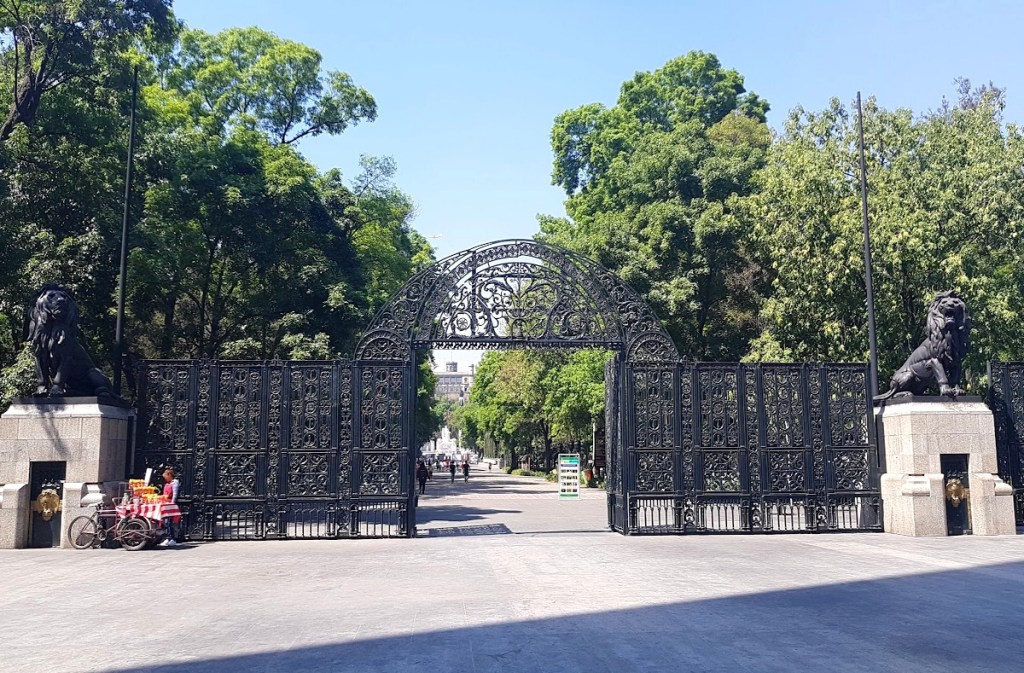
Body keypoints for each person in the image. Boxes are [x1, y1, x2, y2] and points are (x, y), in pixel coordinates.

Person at [158, 468, 180, 547]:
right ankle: (168, 537)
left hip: (170, 504)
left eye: (166, 477)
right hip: (165, 503)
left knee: (169, 522)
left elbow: (175, 494)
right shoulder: (167, 483)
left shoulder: (174, 482)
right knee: (165, 522)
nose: (165, 479)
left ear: (169, 475)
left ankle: (172, 538)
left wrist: (172, 503)